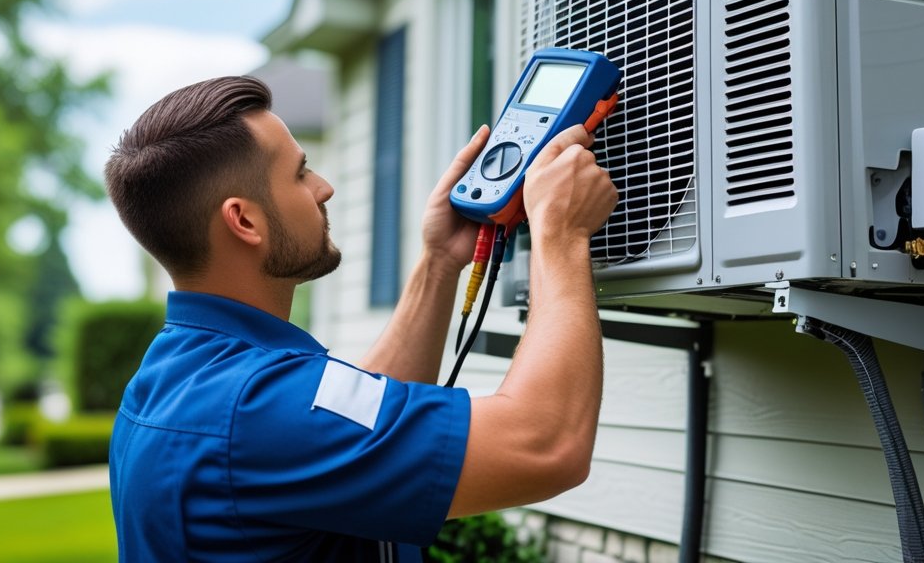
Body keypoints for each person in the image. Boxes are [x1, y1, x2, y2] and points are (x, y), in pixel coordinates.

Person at [105, 75, 617, 562]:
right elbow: (545, 444)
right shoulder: (255, 409)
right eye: (300, 173)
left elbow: (352, 420)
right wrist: (561, 234)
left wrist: (439, 262)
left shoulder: (177, 379)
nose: (323, 188)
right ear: (244, 220)